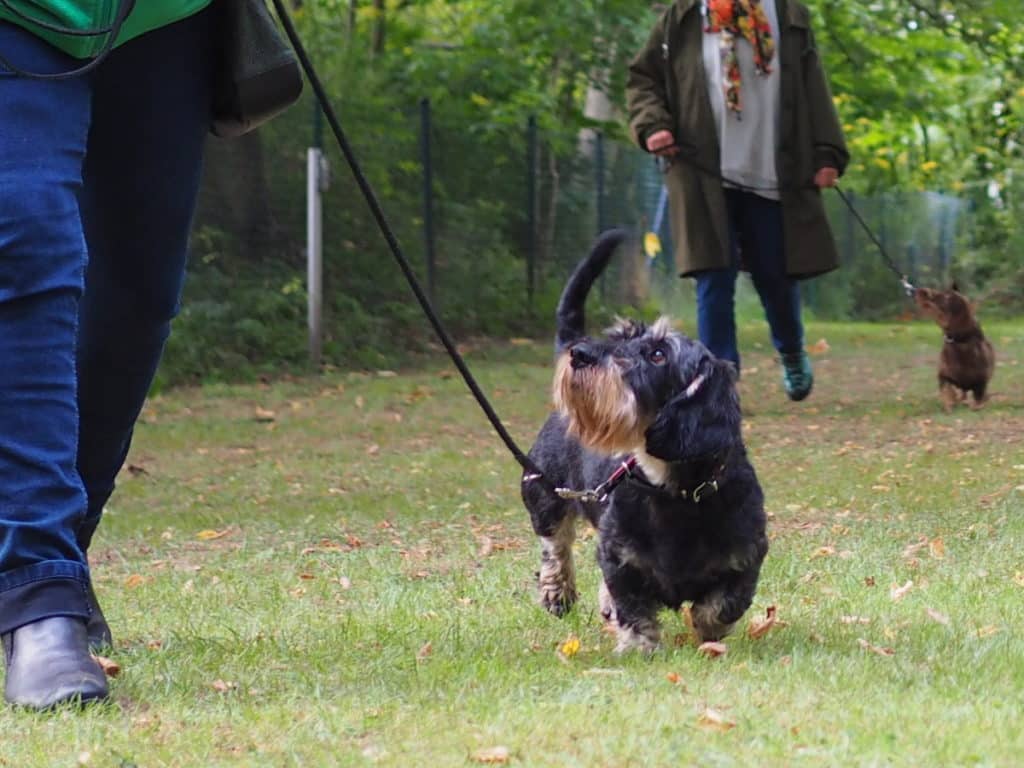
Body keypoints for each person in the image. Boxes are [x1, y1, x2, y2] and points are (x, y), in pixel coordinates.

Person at [0, 1, 216, 708]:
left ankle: (66, 543)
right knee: (27, 246)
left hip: (160, 15)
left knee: (137, 295)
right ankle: (38, 589)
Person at [626, 0, 848, 400]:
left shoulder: (789, 15)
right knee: (714, 276)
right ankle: (719, 385)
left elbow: (814, 87)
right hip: (701, 172)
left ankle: (791, 350)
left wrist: (826, 153)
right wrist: (653, 125)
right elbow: (644, 79)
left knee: (776, 275)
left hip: (772, 171)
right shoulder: (684, 17)